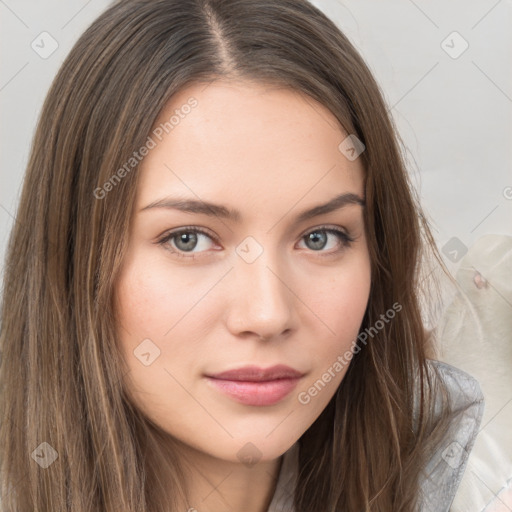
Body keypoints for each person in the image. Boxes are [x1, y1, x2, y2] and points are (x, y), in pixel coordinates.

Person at [0, 0, 484, 510]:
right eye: (189, 238)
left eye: (320, 237)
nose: (267, 314)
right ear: (75, 255)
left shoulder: (472, 477)